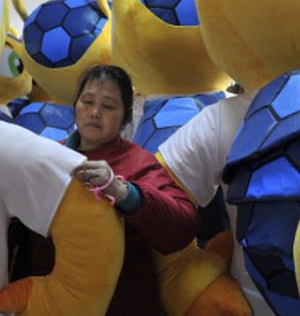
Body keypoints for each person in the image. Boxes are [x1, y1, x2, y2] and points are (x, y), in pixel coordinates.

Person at [20, 64, 201, 316]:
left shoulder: (138, 162)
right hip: (52, 301)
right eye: (87, 101)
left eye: (108, 106)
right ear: (75, 107)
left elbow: (183, 227)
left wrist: (124, 192)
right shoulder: (49, 157)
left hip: (122, 303)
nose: (95, 112)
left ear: (125, 117)